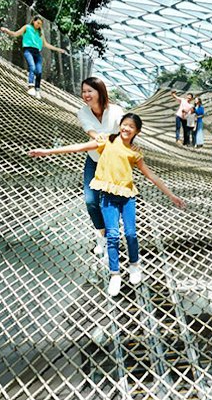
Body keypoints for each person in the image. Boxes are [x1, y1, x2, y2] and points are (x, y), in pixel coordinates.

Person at [29, 113, 186, 296]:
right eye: (124, 125)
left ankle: (134, 265)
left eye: (131, 127)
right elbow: (80, 147)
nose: (126, 129)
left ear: (137, 131)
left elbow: (151, 175)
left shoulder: (134, 152)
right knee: (112, 235)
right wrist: (47, 152)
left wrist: (171, 196)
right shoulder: (106, 141)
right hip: (108, 197)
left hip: (127, 197)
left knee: (131, 233)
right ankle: (115, 274)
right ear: (120, 125)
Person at [76, 77, 125, 259]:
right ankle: (101, 236)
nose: (86, 95)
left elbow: (124, 127)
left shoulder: (115, 111)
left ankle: (112, 238)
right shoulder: (82, 112)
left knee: (111, 202)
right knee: (90, 200)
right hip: (94, 159)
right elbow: (90, 130)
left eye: (90, 91)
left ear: (100, 91)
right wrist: (98, 137)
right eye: (84, 91)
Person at [0, 16, 66, 100]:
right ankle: (30, 86)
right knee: (32, 66)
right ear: (34, 21)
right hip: (28, 50)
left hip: (37, 52)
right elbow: (15, 34)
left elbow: (46, 44)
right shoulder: (27, 27)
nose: (39, 25)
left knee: (39, 71)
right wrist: (6, 30)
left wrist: (58, 49)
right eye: (38, 23)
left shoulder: (40, 33)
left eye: (40, 24)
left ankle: (37, 89)